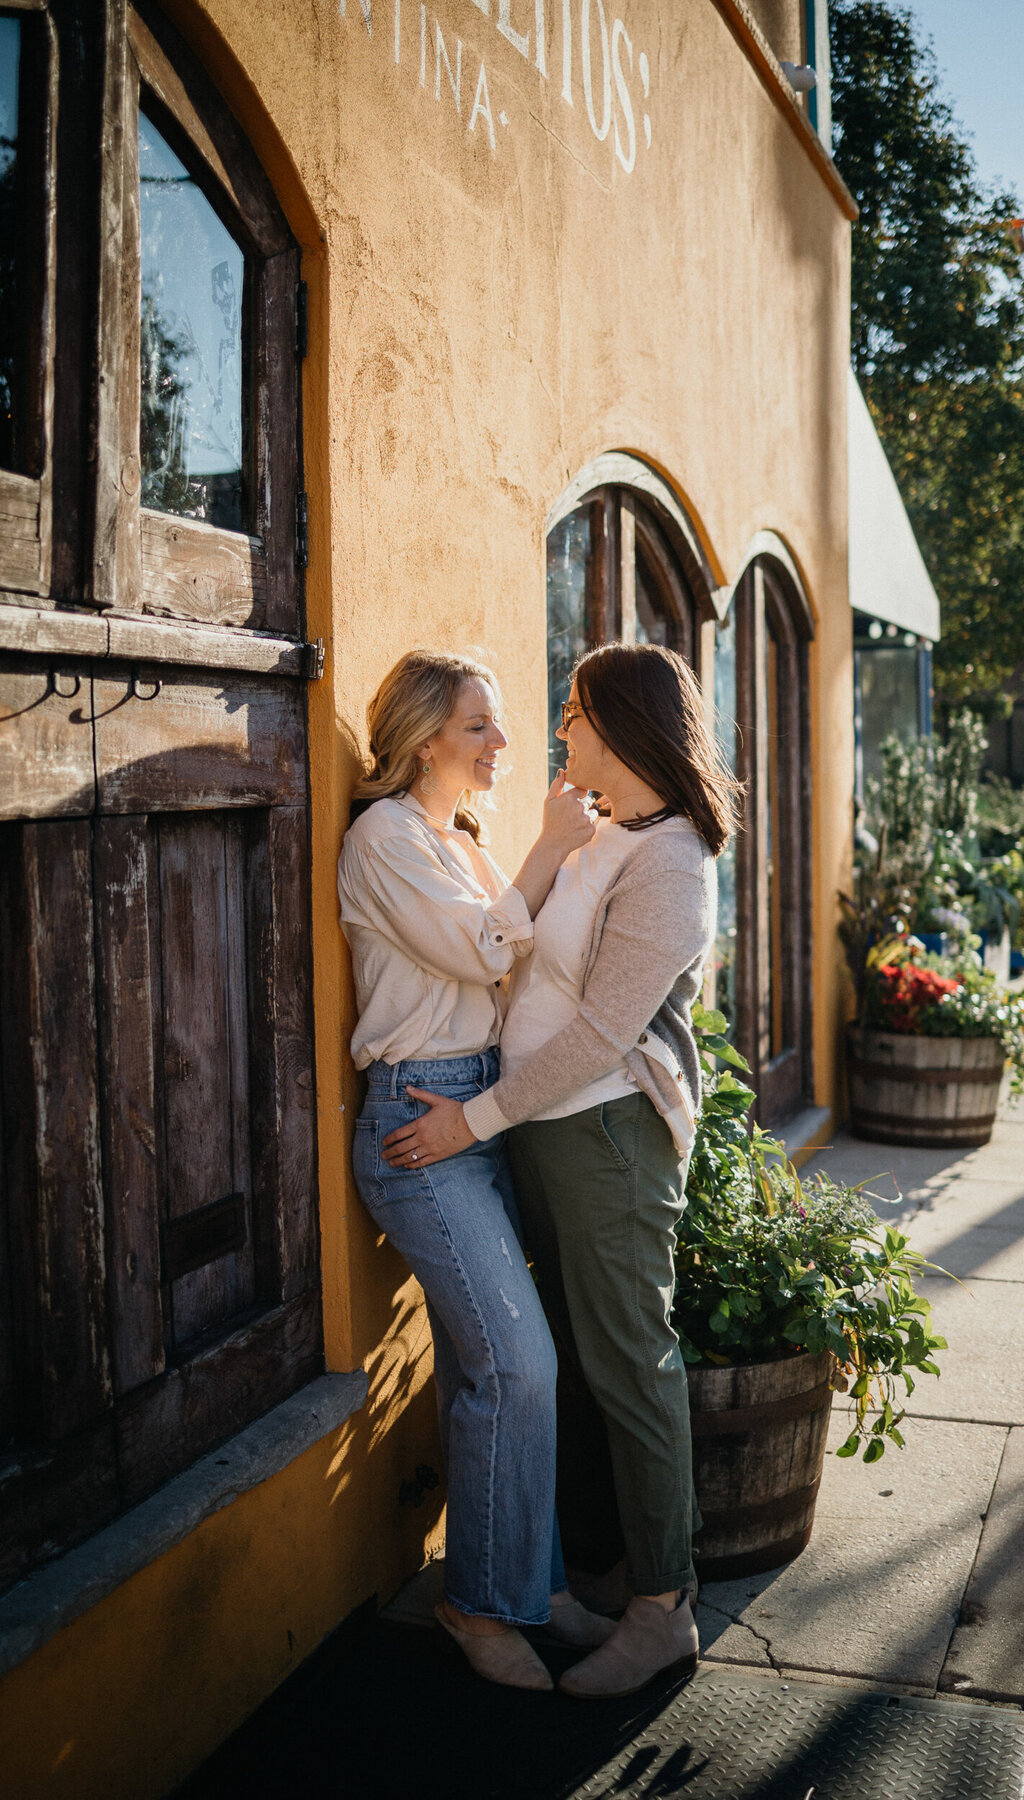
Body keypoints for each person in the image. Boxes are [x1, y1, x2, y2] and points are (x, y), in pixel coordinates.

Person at [387, 642, 739, 1699]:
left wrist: (470, 1123)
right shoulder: (602, 832)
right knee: (575, 1367)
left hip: (607, 1138)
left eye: (574, 713)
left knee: (632, 1363)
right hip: (543, 1135)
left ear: (626, 727)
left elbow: (597, 1033)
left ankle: (663, 1608)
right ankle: (589, 1571)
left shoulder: (673, 858)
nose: (559, 731)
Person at [338, 648, 614, 1693]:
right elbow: (489, 954)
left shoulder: (456, 842)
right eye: (478, 727)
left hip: (478, 1111)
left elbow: (525, 956)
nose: (504, 743)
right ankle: (476, 1607)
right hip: (419, 1124)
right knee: (521, 1366)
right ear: (421, 741)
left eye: (497, 725)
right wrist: (546, 852)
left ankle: (529, 1586)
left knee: (480, 1371)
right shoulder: (385, 840)